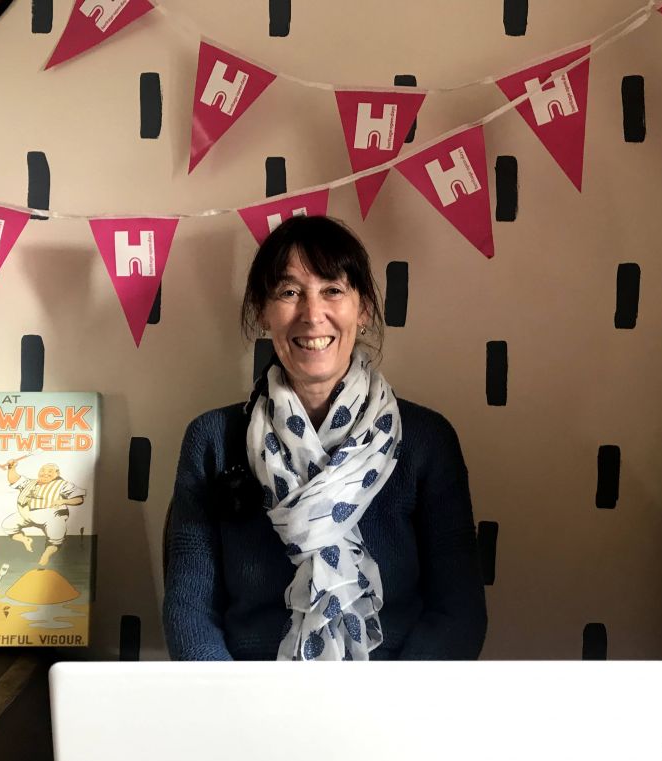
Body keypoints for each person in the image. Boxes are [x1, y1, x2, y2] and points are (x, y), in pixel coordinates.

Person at [163, 215, 486, 661]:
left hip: (393, 704)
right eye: (289, 292)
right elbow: (190, 613)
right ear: (263, 310)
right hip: (248, 704)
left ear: (363, 309)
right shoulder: (213, 439)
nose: (313, 315)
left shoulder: (426, 440)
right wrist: (235, 712)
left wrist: (390, 713)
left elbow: (459, 613)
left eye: (333, 290)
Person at [2, 461, 86, 567]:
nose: (45, 473)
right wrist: (11, 468)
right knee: (7, 525)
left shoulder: (63, 484)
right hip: (26, 513)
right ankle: (25, 539)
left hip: (50, 514)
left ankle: (46, 554)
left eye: (50, 471)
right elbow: (14, 480)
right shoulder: (30, 482)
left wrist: (63, 501)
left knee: (56, 538)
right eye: (43, 470)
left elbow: (79, 499)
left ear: (57, 473)